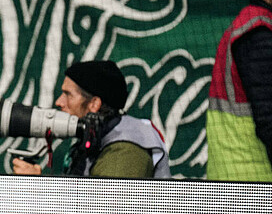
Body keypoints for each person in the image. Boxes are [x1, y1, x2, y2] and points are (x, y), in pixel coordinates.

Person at [12, 60, 171, 178]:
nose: (59, 102)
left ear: (94, 103)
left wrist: (38, 189)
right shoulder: (96, 138)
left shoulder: (127, 148)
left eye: (68, 95)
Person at [207, 0, 272, 181]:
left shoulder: (253, 26)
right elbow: (269, 117)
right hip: (254, 176)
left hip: (238, 174)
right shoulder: (259, 33)